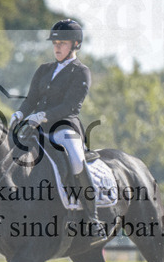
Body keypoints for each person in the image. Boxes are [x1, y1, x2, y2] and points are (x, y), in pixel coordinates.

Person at [9, 19, 102, 235]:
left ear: (75, 45)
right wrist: (21, 112)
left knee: (77, 162)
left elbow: (71, 106)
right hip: (36, 127)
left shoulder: (81, 72)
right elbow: (31, 98)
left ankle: (92, 216)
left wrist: (44, 115)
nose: (57, 47)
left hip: (64, 127)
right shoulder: (44, 69)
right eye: (55, 43)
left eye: (62, 43)